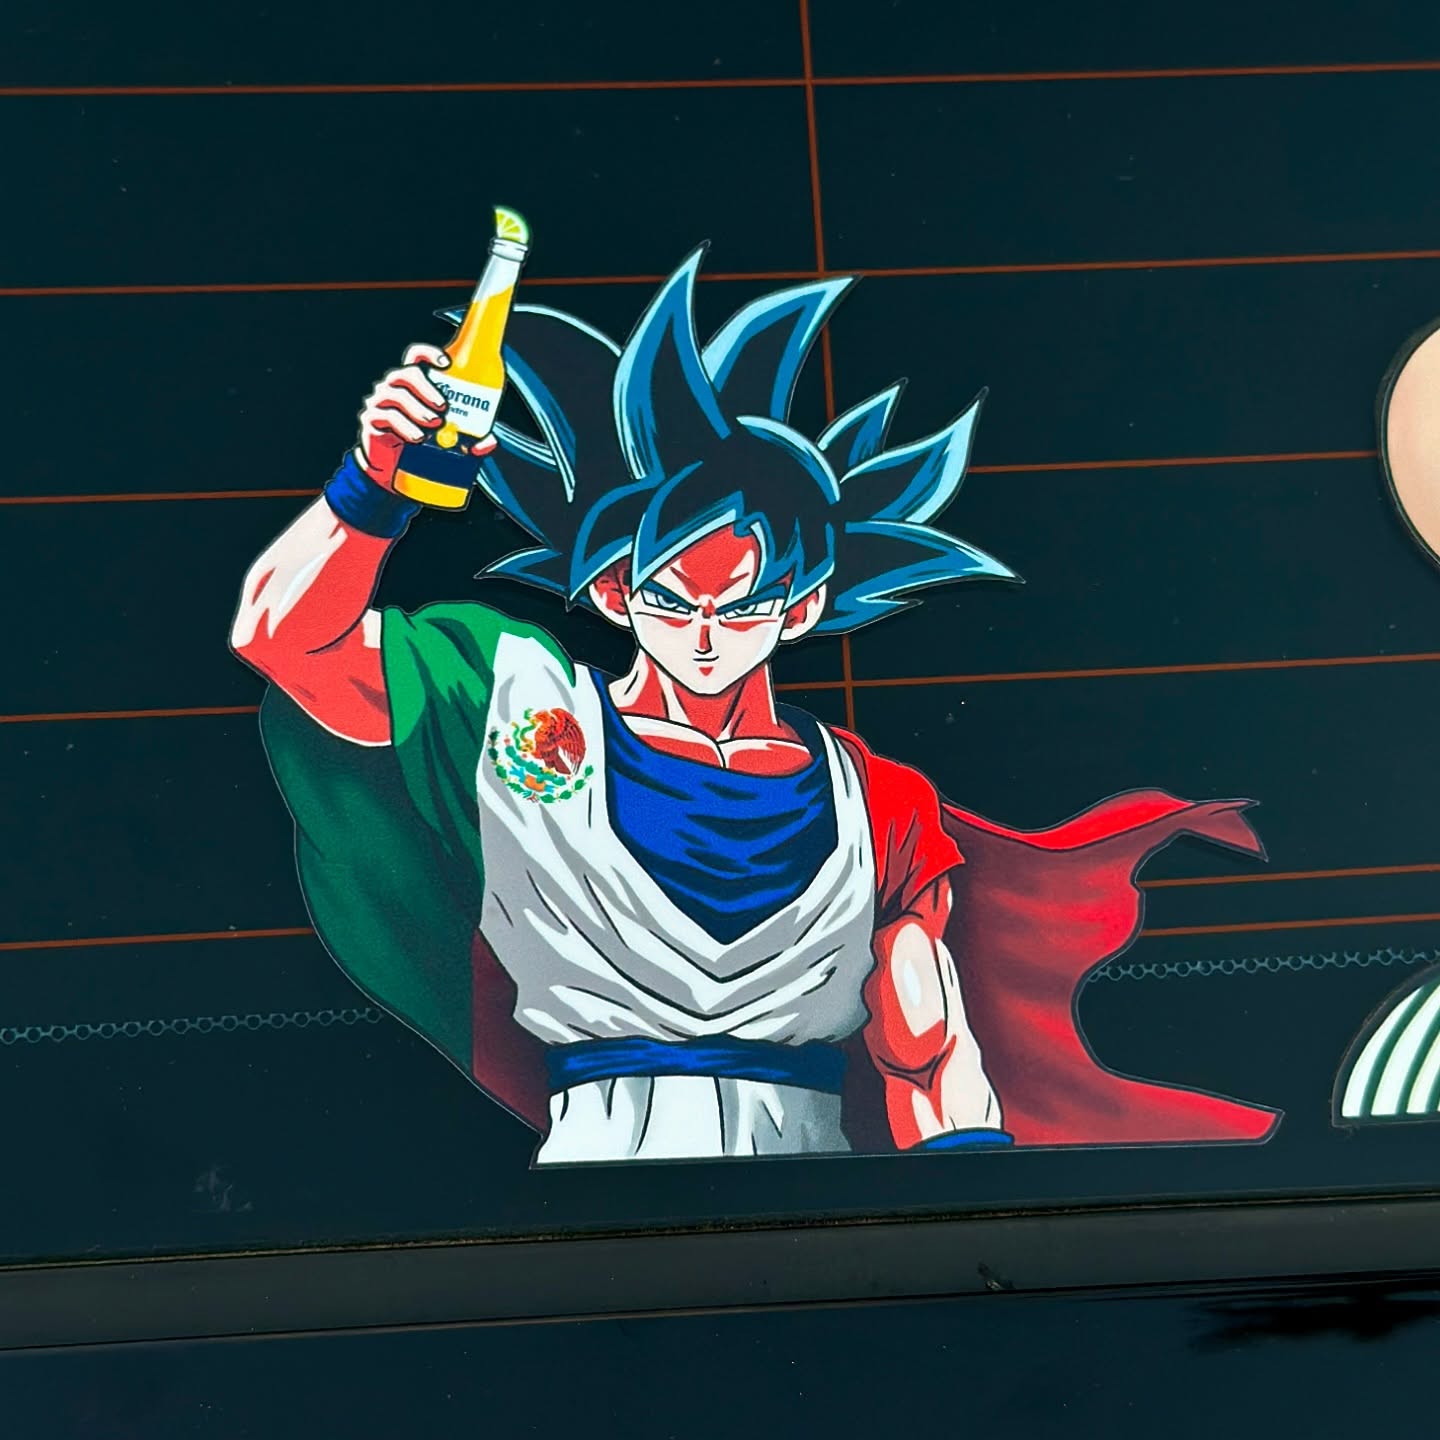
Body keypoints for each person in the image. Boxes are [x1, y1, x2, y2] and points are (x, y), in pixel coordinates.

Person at [232, 249, 1280, 1165]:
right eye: (670, 599)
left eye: (742, 605)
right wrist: (371, 486)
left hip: (812, 1192)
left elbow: (925, 1050)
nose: (703, 634)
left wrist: (967, 1212)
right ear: (613, 593)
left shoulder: (878, 803)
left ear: (803, 606)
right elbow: (282, 638)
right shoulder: (515, 701)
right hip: (598, 1182)